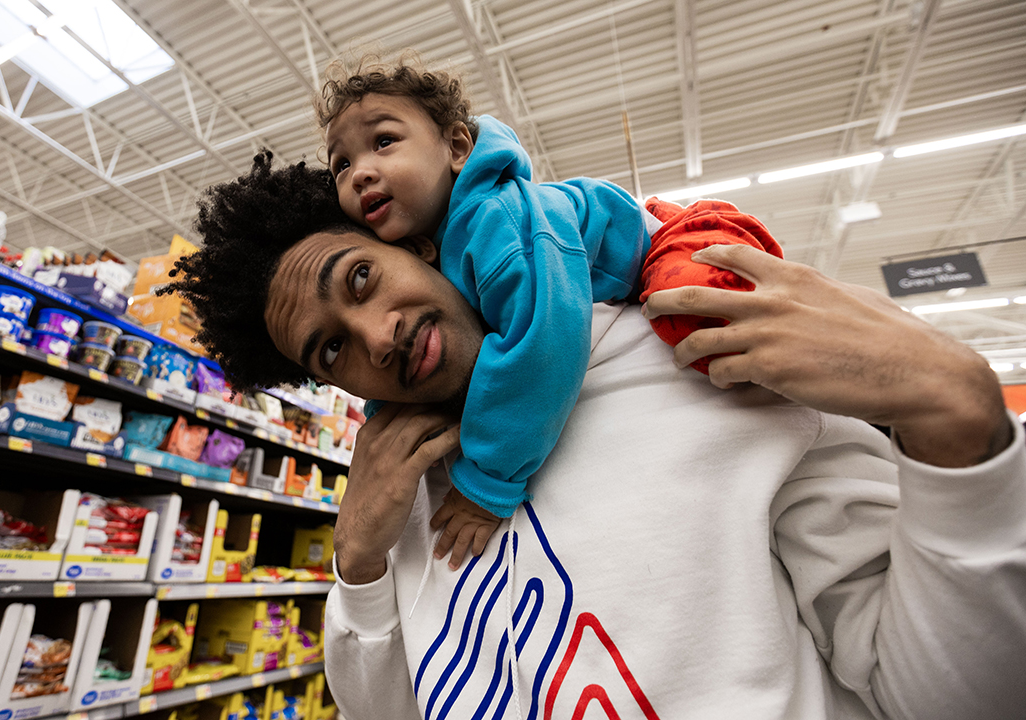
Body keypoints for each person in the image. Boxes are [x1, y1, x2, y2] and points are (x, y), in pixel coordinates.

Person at [166, 157, 1026, 720]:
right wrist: (357, 565)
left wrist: (961, 429)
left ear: (423, 244)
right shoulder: (402, 490)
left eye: (361, 278)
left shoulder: (692, 358)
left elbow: (943, 693)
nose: (376, 335)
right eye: (330, 347)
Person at [314, 55, 783, 560]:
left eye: (384, 142)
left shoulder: (496, 219)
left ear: (456, 147)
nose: (361, 172)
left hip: (672, 242)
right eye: (342, 164)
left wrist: (488, 482)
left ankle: (780, 406)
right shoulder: (430, 247)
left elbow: (544, 343)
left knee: (702, 319)